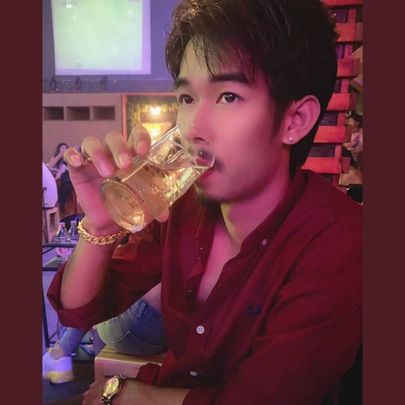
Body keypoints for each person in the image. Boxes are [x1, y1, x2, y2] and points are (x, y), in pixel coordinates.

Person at [48, 0, 362, 403]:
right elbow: (79, 310)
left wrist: (130, 395)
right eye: (186, 98)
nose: (192, 128)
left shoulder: (339, 242)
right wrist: (100, 226)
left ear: (294, 120)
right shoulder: (183, 208)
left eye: (228, 96)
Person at [43, 283, 167, 384]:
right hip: (171, 334)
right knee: (102, 293)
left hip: (142, 333)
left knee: (95, 291)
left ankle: (61, 354)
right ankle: (65, 352)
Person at [48, 142, 76, 216]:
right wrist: (60, 155)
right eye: (62, 148)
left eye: (66, 148)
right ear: (58, 149)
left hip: (65, 180)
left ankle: (62, 202)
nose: (64, 150)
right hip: (56, 183)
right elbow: (50, 166)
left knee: (64, 173)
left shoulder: (68, 160)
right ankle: (59, 203)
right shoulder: (54, 158)